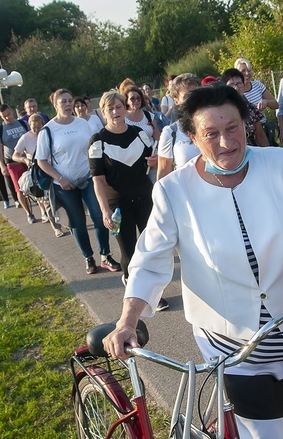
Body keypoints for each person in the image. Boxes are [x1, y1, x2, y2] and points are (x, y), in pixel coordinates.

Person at [103, 83, 283, 439]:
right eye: (211, 134)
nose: (225, 142)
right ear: (193, 138)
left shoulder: (280, 163)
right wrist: (128, 319)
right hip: (232, 340)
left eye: (232, 128)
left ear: (246, 124)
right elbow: (149, 259)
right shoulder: (173, 191)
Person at [88, 91, 168, 309]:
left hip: (145, 197)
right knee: (129, 251)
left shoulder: (140, 133)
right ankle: (132, 282)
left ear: (125, 108)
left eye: (119, 107)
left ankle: (155, 295)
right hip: (118, 205)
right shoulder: (98, 141)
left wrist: (154, 161)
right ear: (103, 113)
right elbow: (98, 181)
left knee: (151, 247)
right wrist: (105, 211)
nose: (116, 112)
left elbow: (152, 161)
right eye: (110, 108)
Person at [35, 88, 121, 275]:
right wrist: (60, 178)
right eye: (63, 102)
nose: (67, 104)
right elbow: (41, 160)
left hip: (88, 177)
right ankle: (88, 258)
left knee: (99, 216)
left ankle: (105, 255)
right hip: (64, 184)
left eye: (69, 100)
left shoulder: (83, 123)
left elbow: (97, 144)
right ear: (55, 105)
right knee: (78, 222)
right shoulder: (48, 130)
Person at [12, 114, 68, 237]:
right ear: (29, 126)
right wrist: (24, 160)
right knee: (47, 201)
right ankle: (56, 227)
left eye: (39, 126)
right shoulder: (25, 138)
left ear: (43, 124)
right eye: (34, 127)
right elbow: (14, 155)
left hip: (56, 168)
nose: (37, 130)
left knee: (62, 197)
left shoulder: (48, 133)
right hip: (40, 173)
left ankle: (65, 221)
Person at [156, 73, 201, 180]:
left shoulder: (214, 125)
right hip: (186, 193)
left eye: (195, 94)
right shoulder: (171, 133)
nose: (192, 99)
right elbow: (163, 175)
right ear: (176, 101)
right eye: (187, 96)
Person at [0, 104, 33, 220]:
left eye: (8, 114)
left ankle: (43, 210)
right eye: (4, 116)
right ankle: (28, 213)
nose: (7, 118)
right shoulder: (0, 130)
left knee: (34, 184)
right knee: (19, 188)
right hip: (12, 162)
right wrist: (2, 165)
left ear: (12, 111)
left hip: (28, 160)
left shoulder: (22, 124)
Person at [221, 68, 271, 147]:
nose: (236, 88)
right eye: (231, 85)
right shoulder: (220, 113)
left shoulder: (251, 109)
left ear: (244, 87)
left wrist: (268, 154)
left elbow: (260, 136)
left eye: (239, 84)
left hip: (253, 153)